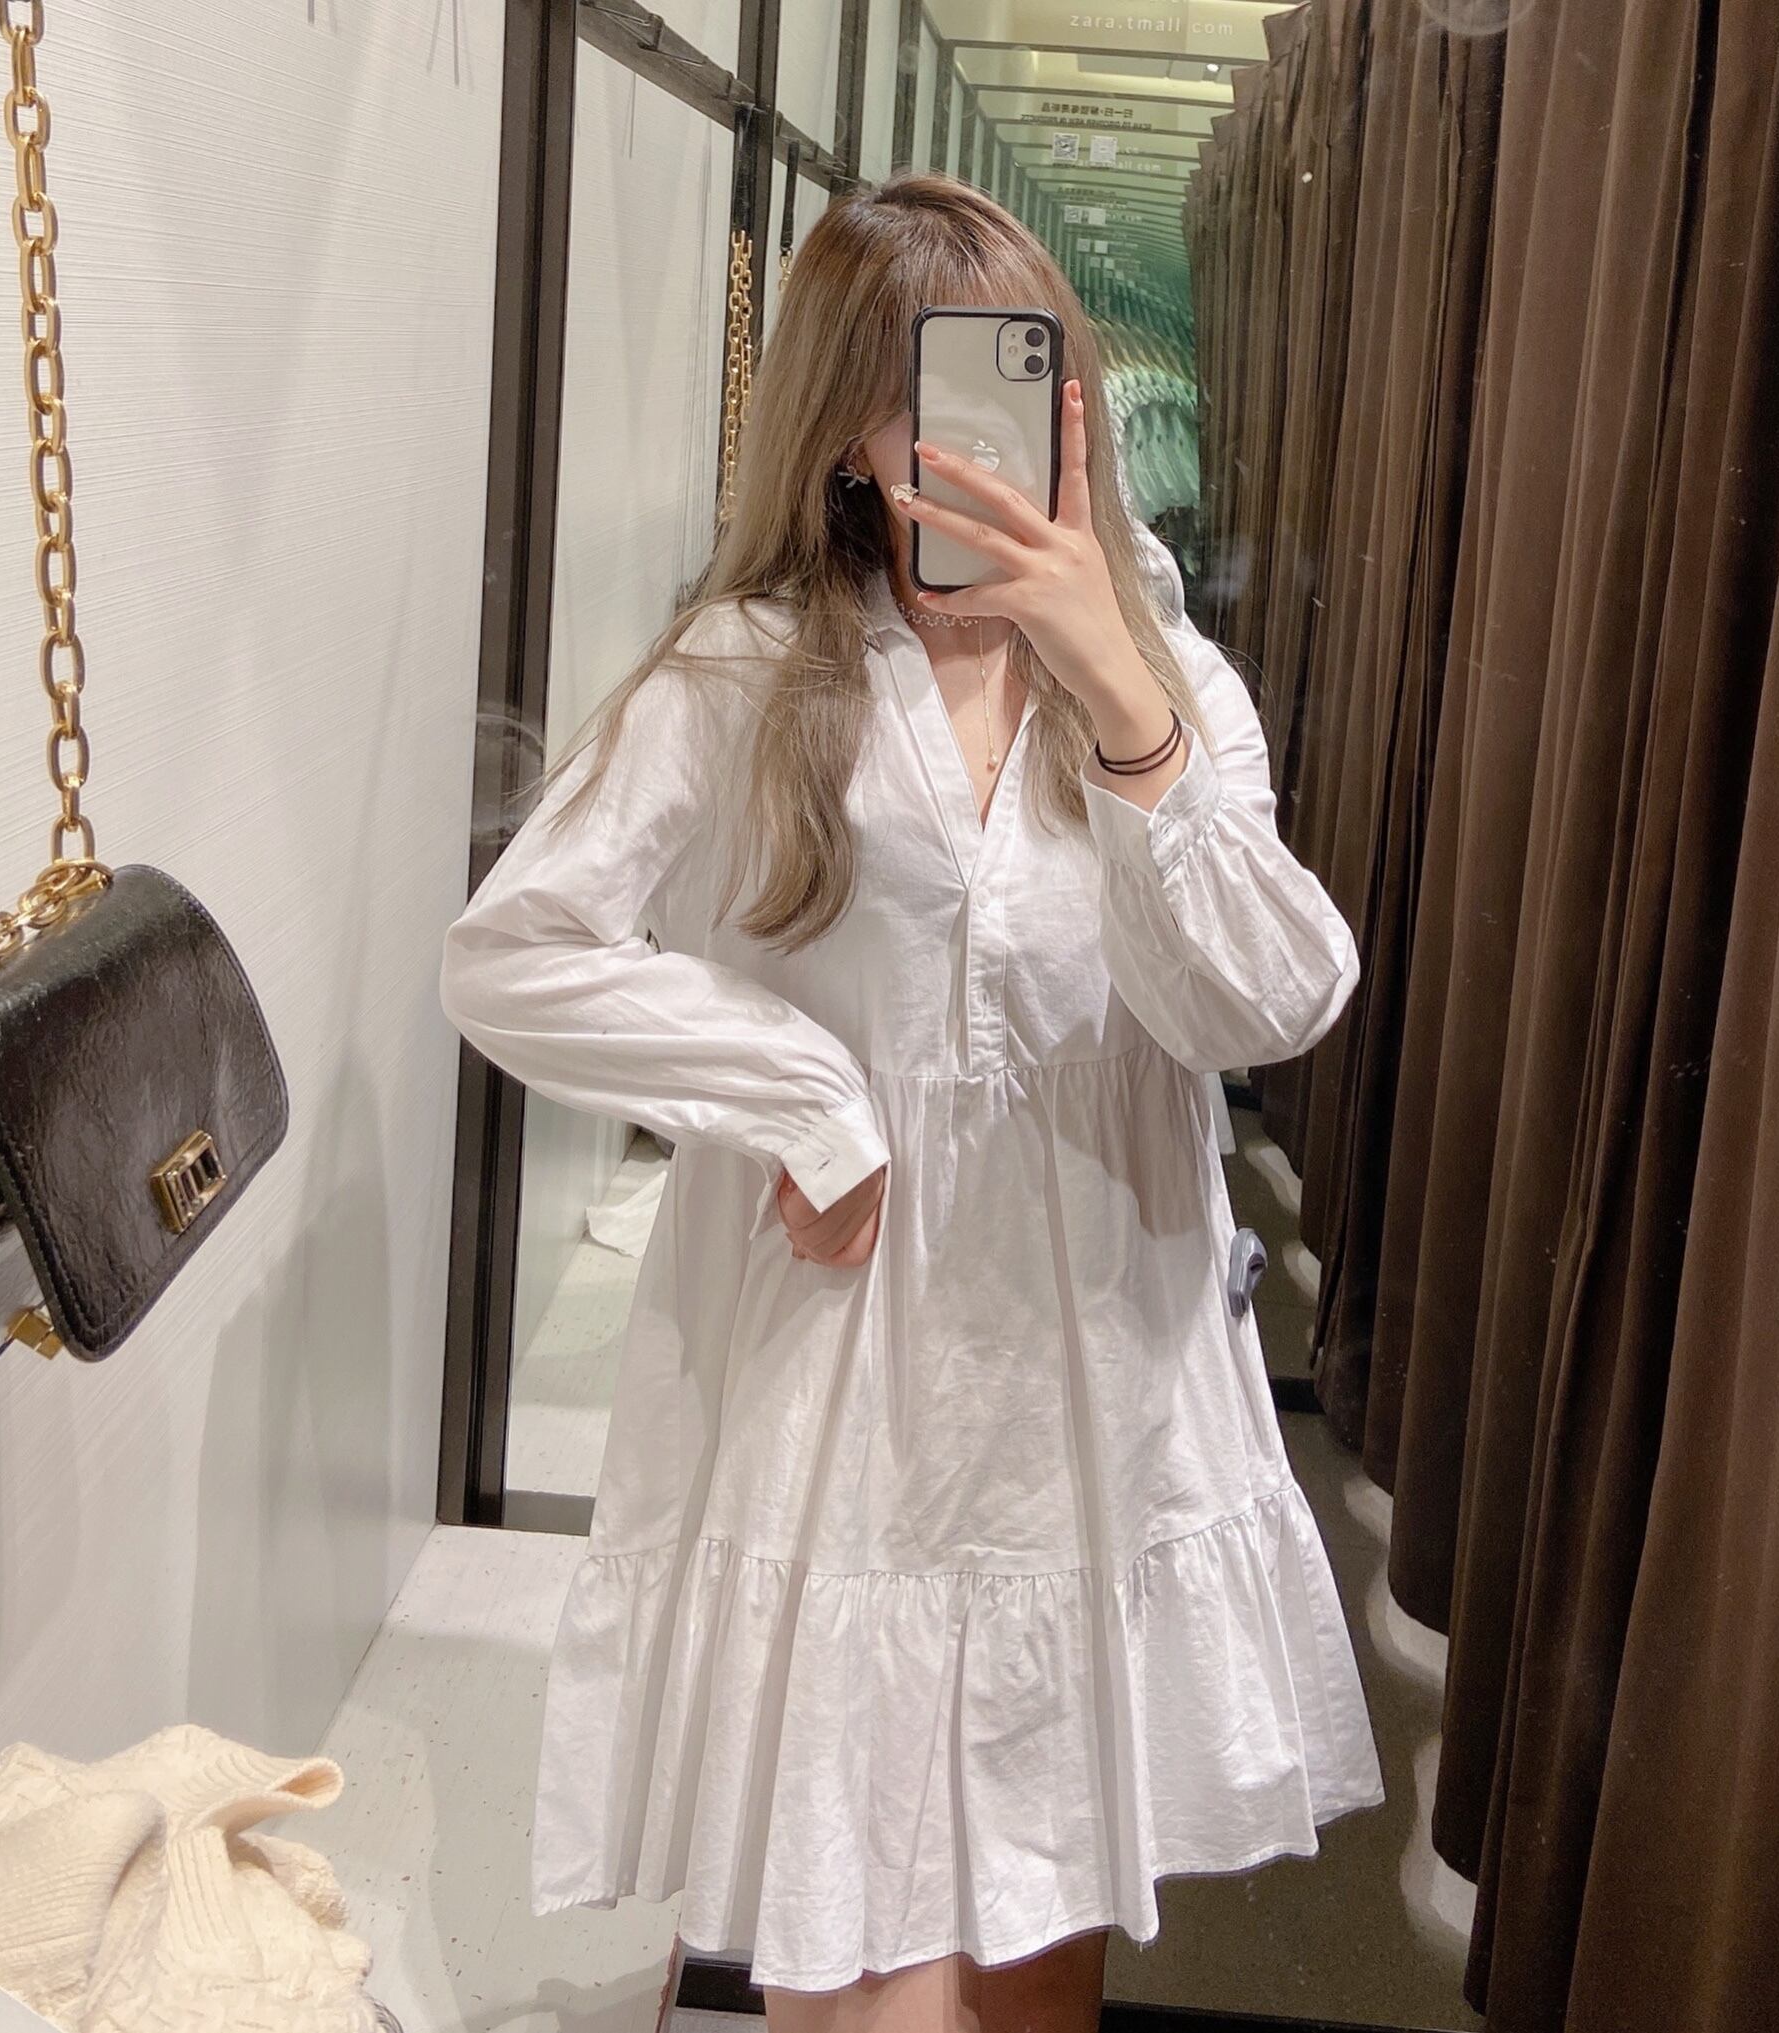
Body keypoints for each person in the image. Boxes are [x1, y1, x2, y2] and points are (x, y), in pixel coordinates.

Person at [438, 175, 1381, 2033]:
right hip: (841, 1405)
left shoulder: (1168, 680)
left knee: (1033, 1983)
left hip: (1086, 1398)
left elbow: (1265, 999)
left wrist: (1117, 692)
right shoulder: (749, 670)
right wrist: (796, 1090)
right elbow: (515, 952)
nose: (971, 433)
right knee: (864, 1988)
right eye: (917, 389)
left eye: (1015, 370)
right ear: (845, 433)